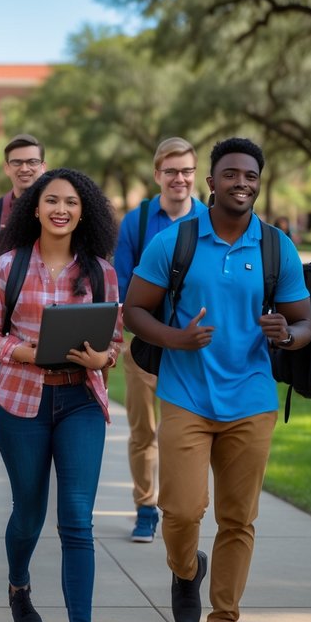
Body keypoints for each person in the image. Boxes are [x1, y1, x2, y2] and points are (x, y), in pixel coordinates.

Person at [124, 138, 311, 622]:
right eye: (230, 174)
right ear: (211, 182)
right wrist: (175, 340)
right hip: (186, 396)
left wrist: (289, 334)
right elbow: (136, 309)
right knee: (181, 511)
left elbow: (304, 322)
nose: (241, 183)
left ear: (259, 181)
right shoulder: (175, 242)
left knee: (239, 519)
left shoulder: (277, 248)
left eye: (250, 175)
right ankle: (186, 572)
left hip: (251, 399)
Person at [0, 168, 121, 622]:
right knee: (30, 511)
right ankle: (18, 585)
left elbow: (116, 342)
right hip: (22, 401)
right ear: (34, 208)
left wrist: (104, 356)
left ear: (85, 212)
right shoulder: (8, 267)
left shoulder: (102, 272)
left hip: (81, 399)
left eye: (72, 203)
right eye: (52, 201)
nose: (61, 209)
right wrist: (23, 351)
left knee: (77, 519)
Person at [112, 137, 207, 544]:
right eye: (171, 171)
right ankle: (145, 506)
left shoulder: (211, 218)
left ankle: (178, 507)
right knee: (143, 430)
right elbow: (118, 282)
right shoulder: (138, 220)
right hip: (146, 345)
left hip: (193, 351)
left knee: (185, 432)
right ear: (157, 175)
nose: (179, 179)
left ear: (196, 174)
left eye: (186, 171)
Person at [0, 134, 46, 266]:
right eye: (17, 162)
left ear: (43, 167)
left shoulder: (57, 212)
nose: (24, 168)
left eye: (32, 162)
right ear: (6, 168)